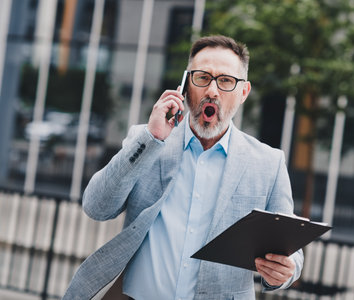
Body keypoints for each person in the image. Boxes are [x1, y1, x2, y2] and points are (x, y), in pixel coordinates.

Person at [63, 35, 303, 300]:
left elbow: (289, 246)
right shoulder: (147, 141)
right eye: (202, 77)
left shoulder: (268, 162)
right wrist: (151, 139)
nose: (212, 91)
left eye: (225, 81)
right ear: (186, 85)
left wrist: (287, 271)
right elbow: (96, 206)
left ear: (243, 92)